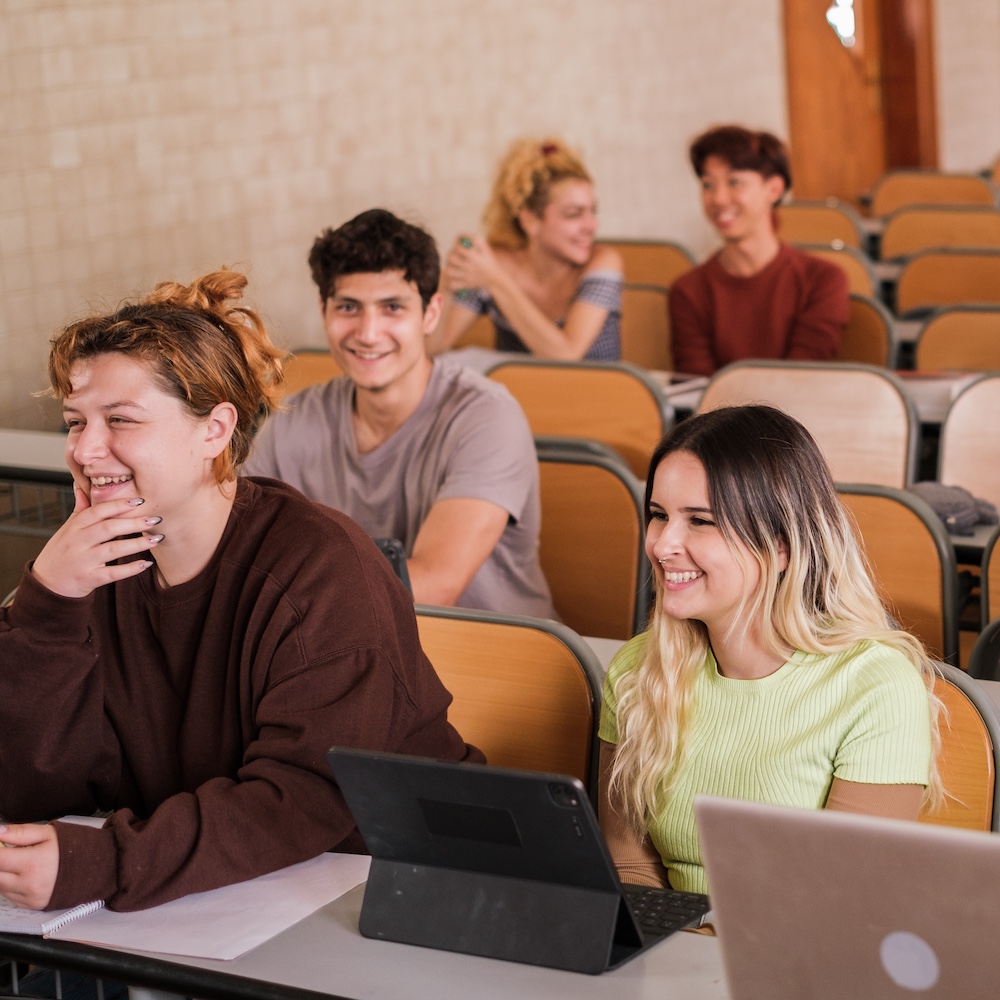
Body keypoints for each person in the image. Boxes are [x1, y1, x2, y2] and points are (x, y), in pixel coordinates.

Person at [0, 269, 482, 914]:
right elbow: (32, 790)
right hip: (223, 894)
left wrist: (110, 862)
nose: (87, 450)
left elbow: (306, 798)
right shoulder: (88, 569)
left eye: (119, 419)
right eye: (73, 422)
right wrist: (47, 608)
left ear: (215, 431)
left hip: (393, 892)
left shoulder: (319, 568)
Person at [598, 405, 940, 895]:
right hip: (667, 951)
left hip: (796, 959)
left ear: (781, 544)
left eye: (700, 521)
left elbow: (847, 898)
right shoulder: (637, 667)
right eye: (658, 515)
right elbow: (628, 862)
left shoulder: (875, 685)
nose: (662, 543)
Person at [244, 208, 554, 619]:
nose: (369, 333)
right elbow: (236, 549)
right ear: (324, 310)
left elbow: (433, 586)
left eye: (392, 307)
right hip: (353, 653)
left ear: (430, 313)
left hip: (494, 661)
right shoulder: (291, 423)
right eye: (349, 307)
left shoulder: (487, 417)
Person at [669, 125, 850, 376]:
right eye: (708, 185)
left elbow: (801, 376)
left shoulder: (822, 279)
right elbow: (698, 386)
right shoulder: (688, 291)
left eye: (734, 182)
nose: (719, 199)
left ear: (773, 190)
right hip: (720, 415)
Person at [430, 137, 623, 361]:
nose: (591, 226)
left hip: (599, 394)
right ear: (530, 220)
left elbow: (567, 355)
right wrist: (448, 283)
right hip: (519, 394)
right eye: (574, 214)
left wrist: (495, 281)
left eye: (593, 211)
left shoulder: (603, 262)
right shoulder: (494, 263)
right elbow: (435, 347)